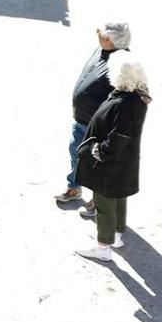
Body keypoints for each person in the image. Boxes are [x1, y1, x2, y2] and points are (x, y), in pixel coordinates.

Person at [74, 57, 151, 262]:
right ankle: (115, 236)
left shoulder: (123, 103)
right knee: (118, 197)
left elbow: (119, 137)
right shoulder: (136, 98)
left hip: (110, 164)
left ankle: (103, 247)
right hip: (124, 163)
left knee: (104, 202)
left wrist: (96, 151)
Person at [55, 22, 130, 206]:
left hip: (98, 126)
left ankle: (99, 201)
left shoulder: (122, 64)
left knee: (99, 163)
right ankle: (74, 187)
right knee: (76, 152)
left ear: (110, 40)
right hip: (81, 119)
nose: (98, 33)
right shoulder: (103, 50)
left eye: (102, 34)